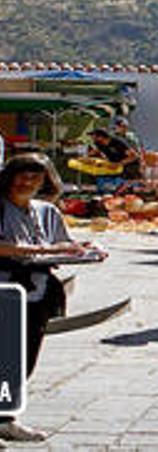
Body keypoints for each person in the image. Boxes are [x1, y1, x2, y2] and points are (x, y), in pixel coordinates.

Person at [0, 154, 99, 441]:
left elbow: (60, 243)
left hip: (38, 292)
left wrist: (83, 248)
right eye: (22, 176)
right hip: (6, 290)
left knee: (23, 358)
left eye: (35, 177)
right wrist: (39, 252)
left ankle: (6, 417)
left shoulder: (46, 211)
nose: (26, 183)